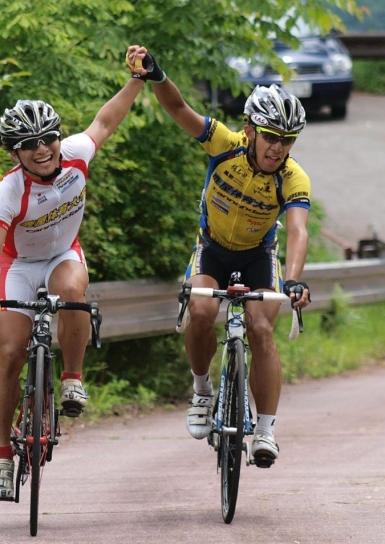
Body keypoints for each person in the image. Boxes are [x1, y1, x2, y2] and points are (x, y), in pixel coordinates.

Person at [126, 46, 312, 468]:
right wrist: (157, 76)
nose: (278, 149)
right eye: (271, 137)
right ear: (249, 130)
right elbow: (178, 107)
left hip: (258, 255)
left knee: (261, 327)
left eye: (287, 141)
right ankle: (201, 390)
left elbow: (298, 230)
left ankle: (264, 429)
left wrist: (295, 280)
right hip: (212, 249)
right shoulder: (224, 145)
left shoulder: (292, 177)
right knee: (202, 308)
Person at [0, 51, 146, 500]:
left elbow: (106, 121)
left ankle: (72, 377)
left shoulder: (74, 155)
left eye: (48, 137)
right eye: (30, 145)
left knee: (73, 290)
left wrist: (138, 79)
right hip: (18, 266)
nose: (43, 148)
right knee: (10, 353)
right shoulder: (8, 191)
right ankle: (0, 457)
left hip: (63, 256)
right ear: (16, 152)